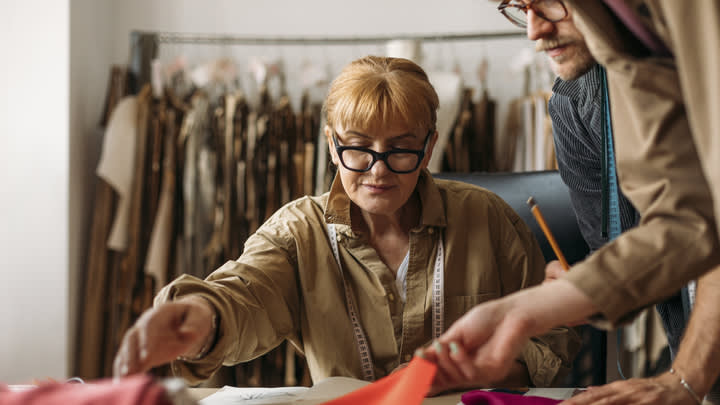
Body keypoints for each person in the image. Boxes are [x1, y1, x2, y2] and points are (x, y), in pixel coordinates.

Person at [112, 55, 578, 391]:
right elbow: (244, 296)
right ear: (332, 145)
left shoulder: (488, 219)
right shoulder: (299, 232)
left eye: (400, 149)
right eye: (358, 147)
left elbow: (553, 348)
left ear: (429, 146)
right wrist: (202, 318)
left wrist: (482, 371)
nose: (378, 170)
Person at [421, 1, 720, 403]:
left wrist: (687, 377)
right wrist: (522, 312)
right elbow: (692, 221)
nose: (532, 31)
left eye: (548, 2)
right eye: (519, 6)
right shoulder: (583, 91)